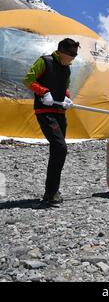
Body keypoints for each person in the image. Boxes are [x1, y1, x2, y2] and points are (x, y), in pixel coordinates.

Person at [23, 38, 80, 206]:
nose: (73, 57)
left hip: (60, 112)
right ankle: (51, 192)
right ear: (61, 50)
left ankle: (52, 191)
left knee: (58, 151)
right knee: (60, 147)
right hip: (45, 111)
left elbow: (65, 87)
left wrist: (67, 98)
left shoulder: (67, 69)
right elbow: (28, 79)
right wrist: (43, 92)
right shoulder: (44, 61)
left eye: (75, 55)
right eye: (70, 53)